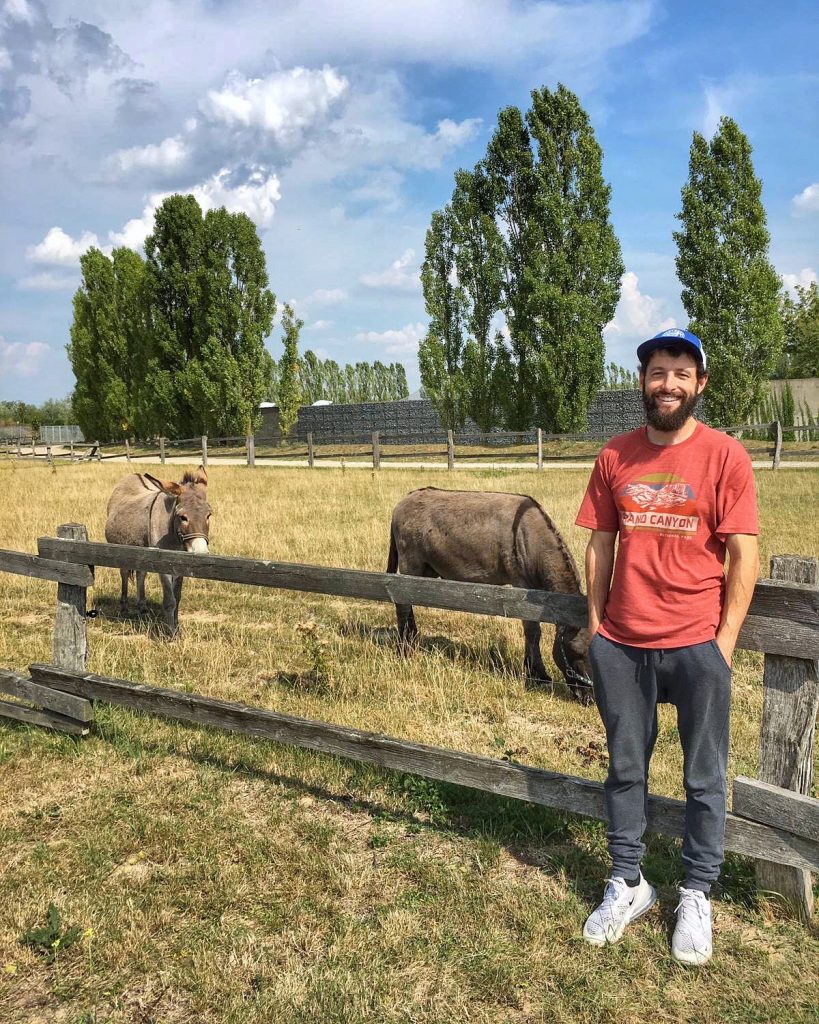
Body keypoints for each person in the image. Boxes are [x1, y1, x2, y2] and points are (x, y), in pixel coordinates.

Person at [575, 327, 759, 966]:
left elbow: (744, 553)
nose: (669, 383)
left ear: (700, 383)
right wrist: (596, 627)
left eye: (682, 372)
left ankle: (696, 893)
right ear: (644, 380)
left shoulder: (726, 456)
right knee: (625, 768)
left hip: (697, 646)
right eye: (658, 371)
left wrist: (724, 642)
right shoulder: (615, 457)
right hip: (622, 645)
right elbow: (599, 544)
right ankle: (629, 882)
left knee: (704, 777)